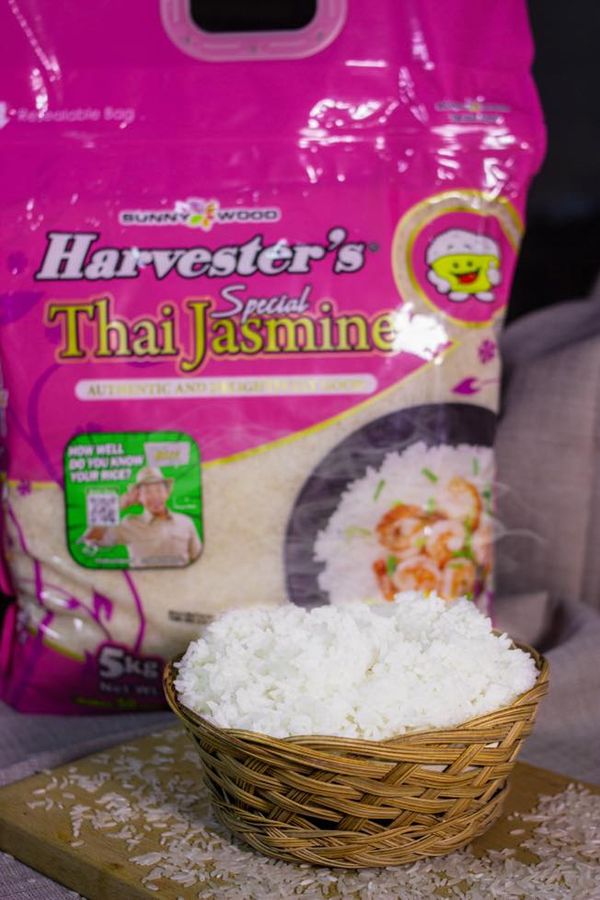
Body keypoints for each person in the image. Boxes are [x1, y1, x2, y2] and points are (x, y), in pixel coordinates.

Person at [84, 466, 202, 567]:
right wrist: (117, 505)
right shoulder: (129, 523)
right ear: (139, 497)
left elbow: (198, 560)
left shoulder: (186, 522)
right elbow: (92, 539)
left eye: (159, 490)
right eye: (147, 492)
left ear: (167, 493)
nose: (154, 496)